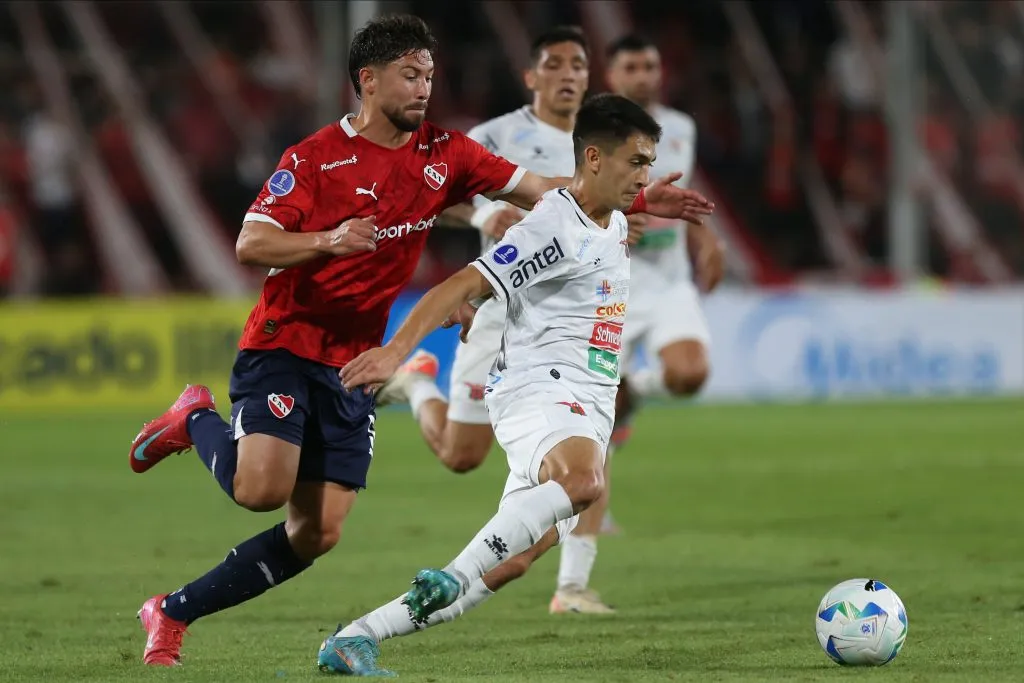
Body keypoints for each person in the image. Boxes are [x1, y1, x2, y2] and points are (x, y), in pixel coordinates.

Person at [126, 15, 713, 667]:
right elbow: (249, 242)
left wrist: (634, 195)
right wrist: (326, 239)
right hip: (287, 343)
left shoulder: (447, 153)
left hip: (355, 359)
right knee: (260, 489)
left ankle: (173, 610)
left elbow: (549, 192)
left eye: (430, 75)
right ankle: (196, 417)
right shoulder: (314, 158)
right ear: (367, 81)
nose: (424, 87)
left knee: (316, 533)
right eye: (411, 74)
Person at [317, 93, 661, 677]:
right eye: (636, 162)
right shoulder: (555, 226)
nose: (643, 176)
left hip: (586, 402)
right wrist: (397, 349)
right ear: (595, 159)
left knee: (511, 563)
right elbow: (462, 282)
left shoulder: (612, 220)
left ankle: (358, 636)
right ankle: (450, 571)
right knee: (583, 482)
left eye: (649, 163)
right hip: (542, 390)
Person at [376, 26, 618, 614]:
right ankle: (415, 382)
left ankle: (572, 585)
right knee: (462, 456)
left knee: (592, 447)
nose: (568, 74)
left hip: (574, 321)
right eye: (554, 64)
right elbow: (427, 188)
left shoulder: (603, 145)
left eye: (578, 65)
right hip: (500, 306)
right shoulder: (497, 136)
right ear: (532, 77)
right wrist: (485, 214)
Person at [600, 35, 726, 530]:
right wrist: (613, 219)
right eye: (632, 66)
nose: (644, 75)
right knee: (597, 408)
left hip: (669, 277)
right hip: (610, 279)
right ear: (612, 77)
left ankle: (637, 389)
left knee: (690, 374)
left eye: (650, 65)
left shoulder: (680, 127)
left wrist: (708, 240)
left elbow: (682, 191)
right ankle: (596, 513)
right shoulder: (591, 129)